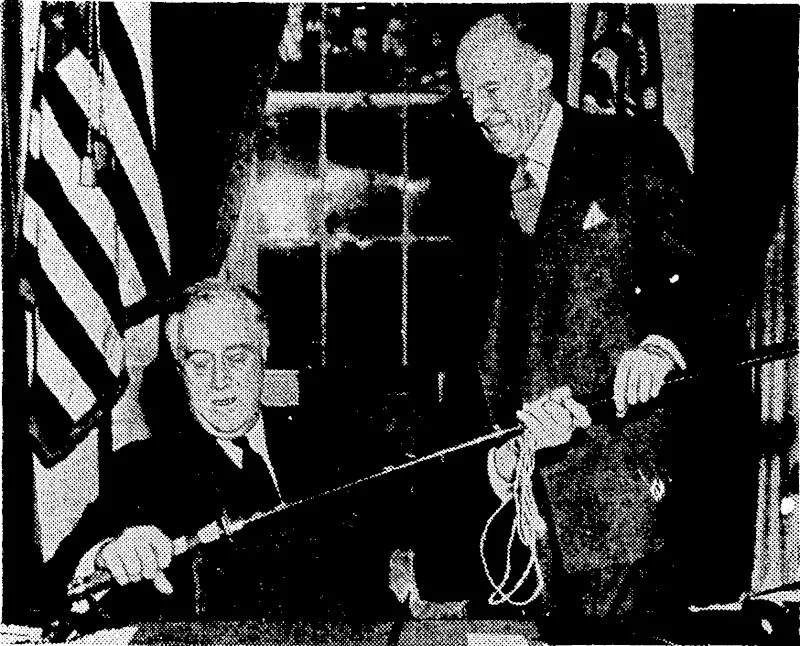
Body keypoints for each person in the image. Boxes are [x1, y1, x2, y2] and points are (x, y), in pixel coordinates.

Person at [418, 13, 702, 639]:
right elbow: (476, 354)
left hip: (622, 498)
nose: (478, 111)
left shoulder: (631, 151)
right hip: (525, 505)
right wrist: (496, 453)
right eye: (468, 97)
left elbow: (700, 272)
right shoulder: (480, 196)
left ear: (541, 73)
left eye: (491, 90)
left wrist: (659, 347)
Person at [47, 279, 389, 623]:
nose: (219, 380)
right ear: (180, 371)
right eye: (199, 363)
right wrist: (106, 557)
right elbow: (52, 585)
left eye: (235, 358)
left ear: (264, 352)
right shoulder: (141, 469)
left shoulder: (331, 445)